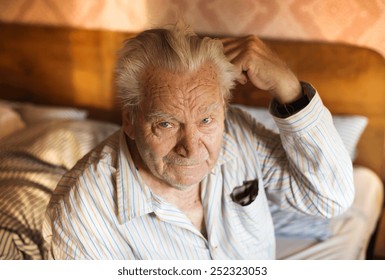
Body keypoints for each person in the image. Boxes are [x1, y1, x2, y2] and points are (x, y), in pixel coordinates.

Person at [43, 22, 354, 259]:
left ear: (224, 108)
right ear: (130, 120)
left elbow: (330, 199)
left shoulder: (238, 132)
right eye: (165, 123)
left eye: (206, 120)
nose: (191, 147)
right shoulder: (82, 211)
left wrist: (287, 87)